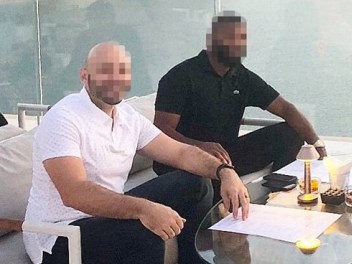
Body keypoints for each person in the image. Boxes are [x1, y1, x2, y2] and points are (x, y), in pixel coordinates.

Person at [23, 42, 250, 264]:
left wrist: (224, 171)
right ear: (85, 76)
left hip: (103, 216)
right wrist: (144, 209)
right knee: (146, 231)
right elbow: (74, 193)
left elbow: (180, 153)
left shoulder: (126, 116)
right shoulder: (63, 118)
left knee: (196, 183)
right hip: (60, 235)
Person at [153, 12, 327, 193]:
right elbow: (161, 129)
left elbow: (285, 108)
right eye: (231, 38)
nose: (238, 45)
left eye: (242, 39)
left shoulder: (241, 76)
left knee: (290, 133)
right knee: (201, 179)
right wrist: (200, 147)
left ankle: (279, 196)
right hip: (182, 160)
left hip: (225, 156)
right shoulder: (180, 77)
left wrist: (317, 144)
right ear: (212, 41)